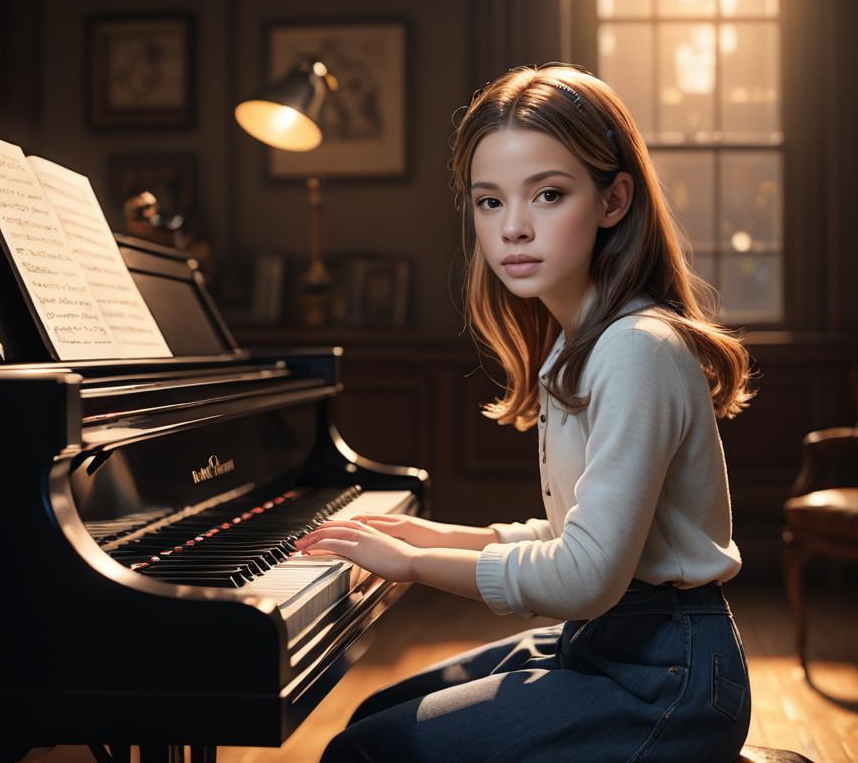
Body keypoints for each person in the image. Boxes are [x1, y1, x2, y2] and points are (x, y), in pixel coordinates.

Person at [295, 64, 756, 763]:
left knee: (369, 753)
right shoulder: (579, 344)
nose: (513, 228)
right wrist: (434, 536)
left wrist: (414, 564)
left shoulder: (637, 348)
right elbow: (571, 534)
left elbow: (587, 575)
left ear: (613, 200)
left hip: (669, 676)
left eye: (547, 194)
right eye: (489, 202)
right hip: (605, 641)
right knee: (378, 713)